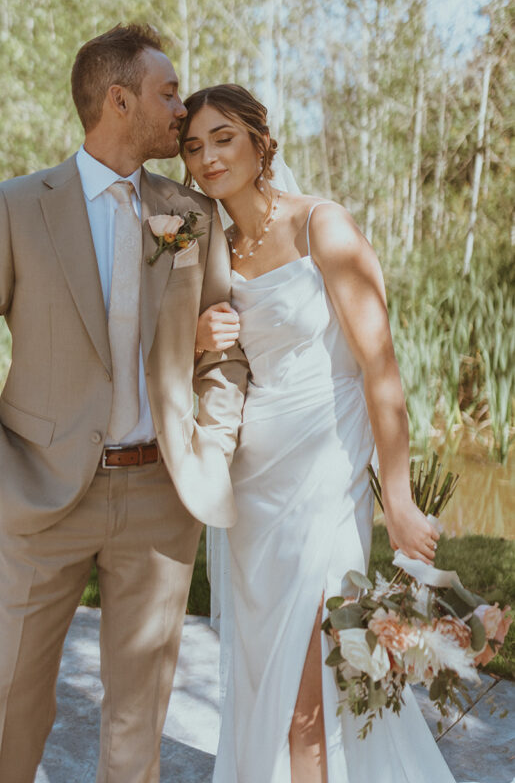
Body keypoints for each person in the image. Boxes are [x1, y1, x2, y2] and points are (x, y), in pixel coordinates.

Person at [0, 26, 248, 783]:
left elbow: (225, 350)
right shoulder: (14, 208)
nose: (182, 109)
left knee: (139, 722)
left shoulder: (189, 214)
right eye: (168, 94)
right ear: (118, 100)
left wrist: (212, 443)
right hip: (39, 494)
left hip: (158, 496)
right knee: (13, 705)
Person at [180, 84, 462, 783]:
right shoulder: (208, 242)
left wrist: (395, 498)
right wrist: (194, 339)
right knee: (260, 654)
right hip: (252, 475)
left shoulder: (320, 226)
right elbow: (173, 350)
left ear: (257, 140)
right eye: (191, 146)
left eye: (222, 138)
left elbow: (380, 367)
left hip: (325, 465)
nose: (207, 157)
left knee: (314, 657)